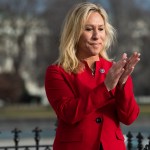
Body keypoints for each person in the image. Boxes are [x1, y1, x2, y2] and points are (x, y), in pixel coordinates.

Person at [45, 2, 140, 150]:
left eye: (101, 29)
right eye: (89, 29)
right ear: (74, 33)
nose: (96, 36)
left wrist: (122, 85)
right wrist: (106, 87)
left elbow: (129, 118)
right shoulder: (57, 72)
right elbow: (69, 113)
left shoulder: (114, 69)